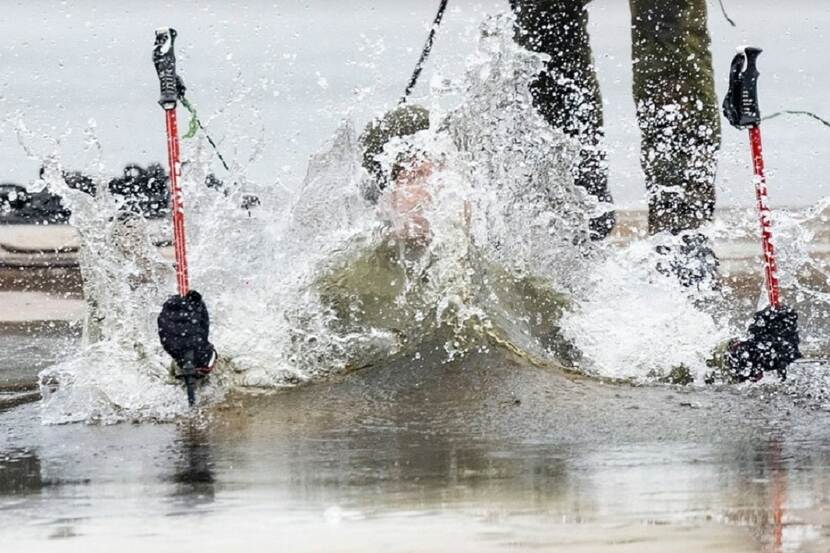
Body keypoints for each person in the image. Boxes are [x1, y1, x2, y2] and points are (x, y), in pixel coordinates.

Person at [157, 4, 801, 385]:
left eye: (444, 171)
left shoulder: (517, 284)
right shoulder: (336, 284)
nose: (432, 188)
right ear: (378, 199)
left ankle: (675, 250)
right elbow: (269, 367)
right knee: (549, 26)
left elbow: (620, 358)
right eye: (410, 175)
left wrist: (741, 357)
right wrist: (198, 353)